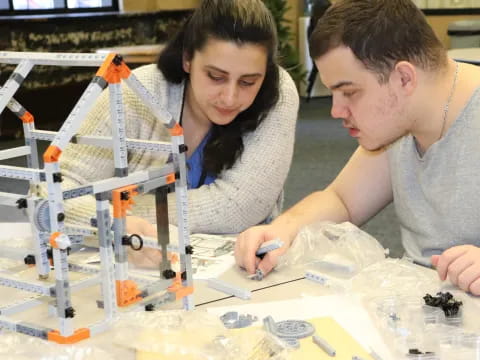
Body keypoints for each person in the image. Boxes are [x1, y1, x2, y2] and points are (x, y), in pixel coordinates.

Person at [234, 0, 480, 296]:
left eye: (349, 92)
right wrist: (281, 229)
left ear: (404, 78)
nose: (336, 110)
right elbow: (342, 200)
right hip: (429, 311)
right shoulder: (399, 125)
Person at [44, 0, 299, 266]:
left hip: (240, 267)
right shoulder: (135, 94)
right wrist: (113, 223)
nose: (230, 97)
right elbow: (52, 192)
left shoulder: (277, 94)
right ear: (188, 58)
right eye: (215, 76)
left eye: (248, 82)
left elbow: (241, 206)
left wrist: (118, 210)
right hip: (134, 267)